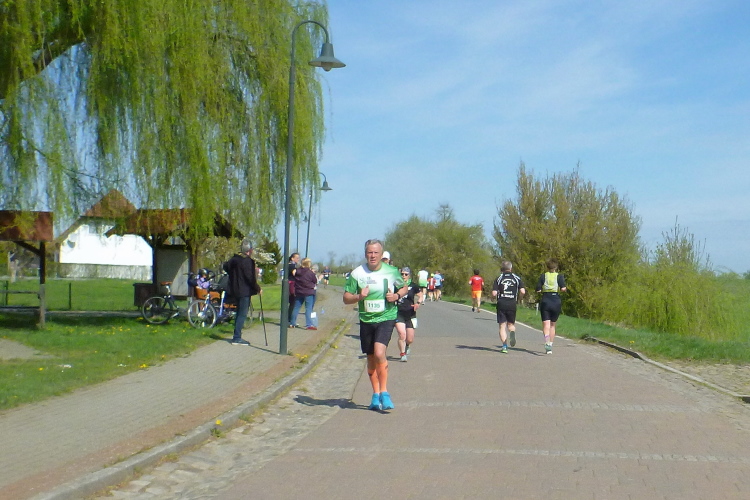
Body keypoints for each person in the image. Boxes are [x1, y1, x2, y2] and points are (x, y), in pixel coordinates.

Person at [343, 239, 407, 411]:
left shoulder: (391, 271)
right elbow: (346, 298)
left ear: (381, 254)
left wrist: (396, 296)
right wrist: (359, 297)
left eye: (376, 252)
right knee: (371, 357)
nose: (372, 255)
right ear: (365, 254)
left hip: (386, 316)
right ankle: (375, 394)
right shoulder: (357, 273)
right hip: (366, 319)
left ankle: (384, 393)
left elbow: (404, 288)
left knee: (379, 352)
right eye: (369, 252)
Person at [223, 239, 262, 346]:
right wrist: (257, 288)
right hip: (244, 291)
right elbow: (250, 278)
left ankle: (236, 335)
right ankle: (237, 337)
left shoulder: (233, 260)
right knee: (242, 314)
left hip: (234, 290)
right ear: (250, 250)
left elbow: (225, 266)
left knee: (238, 313)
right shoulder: (247, 261)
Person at [491, 261, 526, 353]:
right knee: (511, 324)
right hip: (512, 303)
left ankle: (504, 346)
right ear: (511, 268)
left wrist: (492, 298)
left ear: (502, 269)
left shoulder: (499, 278)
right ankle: (512, 332)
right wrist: (520, 298)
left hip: (501, 303)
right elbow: (523, 291)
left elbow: (494, 293)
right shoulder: (516, 278)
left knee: (502, 326)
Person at [535, 258, 567, 354]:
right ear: (556, 267)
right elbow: (563, 288)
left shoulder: (543, 276)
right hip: (556, 300)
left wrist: (542, 289)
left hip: (546, 299)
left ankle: (547, 341)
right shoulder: (559, 276)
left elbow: (538, 289)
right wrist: (562, 289)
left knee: (546, 324)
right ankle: (550, 345)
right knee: (553, 325)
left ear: (547, 267)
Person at [395, 267, 421, 361]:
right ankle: (402, 354)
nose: (403, 276)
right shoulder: (396, 285)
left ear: (409, 275)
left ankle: (407, 345)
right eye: (402, 274)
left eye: (406, 274)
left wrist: (418, 303)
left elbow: (421, 295)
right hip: (398, 312)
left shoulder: (413, 286)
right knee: (402, 334)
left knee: (410, 339)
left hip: (410, 313)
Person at [291, 258, 318, 330]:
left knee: (296, 307)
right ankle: (309, 324)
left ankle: (292, 323)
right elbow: (315, 281)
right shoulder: (310, 273)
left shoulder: (297, 271)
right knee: (308, 308)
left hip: (299, 292)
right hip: (308, 292)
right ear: (308, 264)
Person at [286, 252, 300, 324]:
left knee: (291, 302)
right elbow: (295, 274)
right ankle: (290, 320)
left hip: (289, 285)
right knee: (293, 302)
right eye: (297, 258)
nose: (298, 259)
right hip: (292, 285)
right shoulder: (292, 266)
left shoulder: (289, 265)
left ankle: (289, 319)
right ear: (292, 258)